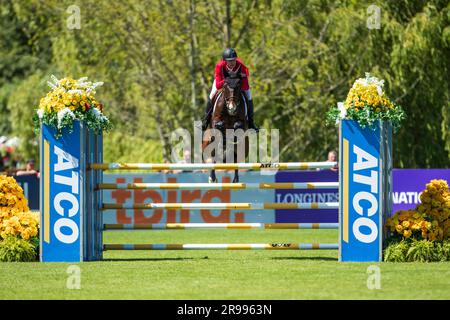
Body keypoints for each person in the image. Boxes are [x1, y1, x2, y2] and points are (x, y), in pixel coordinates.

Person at [202, 48, 258, 131]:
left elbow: (245, 86)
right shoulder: (219, 66)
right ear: (225, 61)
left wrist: (236, 84)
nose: (232, 62)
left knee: (249, 97)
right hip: (223, 83)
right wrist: (227, 81)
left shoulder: (241, 66)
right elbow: (218, 85)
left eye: (233, 60)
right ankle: (206, 120)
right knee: (212, 95)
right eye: (229, 61)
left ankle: (251, 122)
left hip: (237, 85)